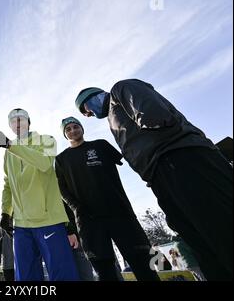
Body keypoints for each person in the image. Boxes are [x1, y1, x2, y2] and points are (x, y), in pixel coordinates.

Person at [75, 79, 233, 280]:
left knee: (218, 225)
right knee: (199, 239)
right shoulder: (113, 119)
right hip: (160, 174)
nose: (88, 114)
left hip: (180, 157)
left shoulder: (120, 89)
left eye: (85, 108)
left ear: (93, 96)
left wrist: (159, 152)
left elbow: (154, 113)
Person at [55, 117, 160, 281]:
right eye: (68, 129)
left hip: (119, 212)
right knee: (104, 270)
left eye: (76, 126)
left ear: (82, 128)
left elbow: (129, 159)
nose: (73, 131)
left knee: (142, 260)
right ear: (65, 134)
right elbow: (62, 189)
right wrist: (76, 208)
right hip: (88, 220)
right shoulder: (61, 159)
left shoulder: (100, 145)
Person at [0, 108, 79, 281]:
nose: (17, 123)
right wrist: (5, 213)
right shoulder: (8, 154)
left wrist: (11, 146)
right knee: (25, 278)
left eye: (21, 119)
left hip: (49, 221)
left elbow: (45, 163)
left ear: (29, 122)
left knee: (62, 275)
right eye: (13, 121)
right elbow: (8, 184)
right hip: (22, 225)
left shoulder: (46, 140)